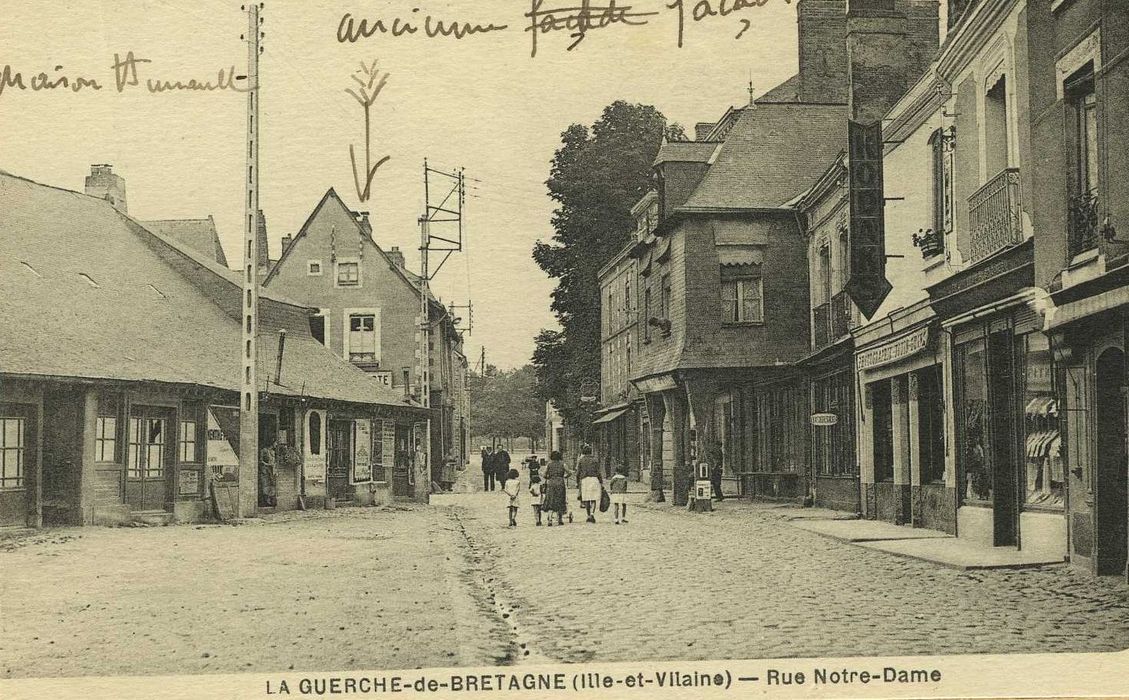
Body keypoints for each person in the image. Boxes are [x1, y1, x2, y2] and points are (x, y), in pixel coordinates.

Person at [575, 444, 603, 523]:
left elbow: (578, 473)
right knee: (593, 498)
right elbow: (598, 472)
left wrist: (577, 482)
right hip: (594, 479)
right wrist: (601, 481)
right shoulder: (595, 460)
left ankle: (588, 515)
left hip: (585, 480)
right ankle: (592, 514)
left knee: (586, 499)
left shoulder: (581, 460)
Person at [542, 451, 568, 526]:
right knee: (560, 500)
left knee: (551, 500)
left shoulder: (549, 465)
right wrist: (564, 476)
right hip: (560, 483)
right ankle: (560, 519)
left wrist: (548, 477)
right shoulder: (563, 464)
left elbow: (544, 474)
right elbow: (569, 472)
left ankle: (550, 519)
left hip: (551, 483)